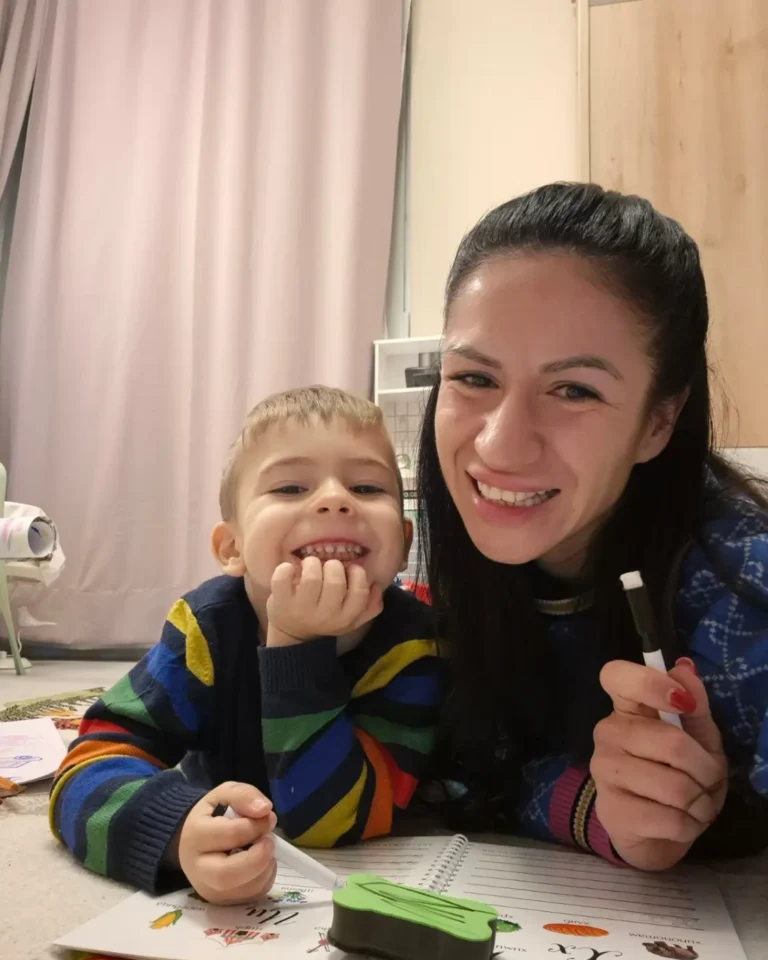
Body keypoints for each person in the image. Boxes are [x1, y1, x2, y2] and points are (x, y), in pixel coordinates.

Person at [416, 181, 768, 871]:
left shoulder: (743, 589)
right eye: (474, 379)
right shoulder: (444, 572)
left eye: (574, 390)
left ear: (658, 422)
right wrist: (600, 812)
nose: (499, 446)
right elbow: (463, 771)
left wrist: (710, 812)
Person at [50, 386, 444, 903]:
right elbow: (87, 764)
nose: (335, 499)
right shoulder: (206, 626)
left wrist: (297, 644)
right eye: (290, 487)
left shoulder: (414, 646)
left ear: (405, 542)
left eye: (366, 487)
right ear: (231, 548)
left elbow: (332, 822)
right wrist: (176, 831)